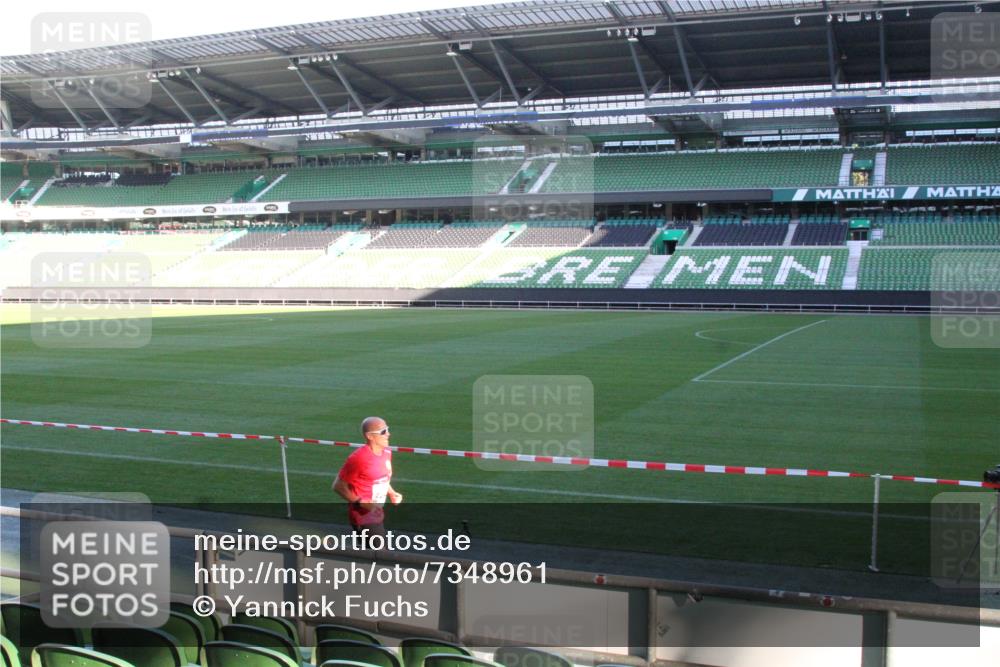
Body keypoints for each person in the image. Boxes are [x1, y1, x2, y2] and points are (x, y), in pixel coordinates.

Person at [333, 416, 402, 535]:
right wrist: (361, 502)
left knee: (372, 546)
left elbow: (381, 478)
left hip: (376, 512)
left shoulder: (386, 452)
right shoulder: (359, 458)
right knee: (382, 548)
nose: (388, 434)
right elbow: (338, 486)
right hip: (363, 517)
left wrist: (391, 492)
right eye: (383, 431)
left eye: (387, 429)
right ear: (370, 436)